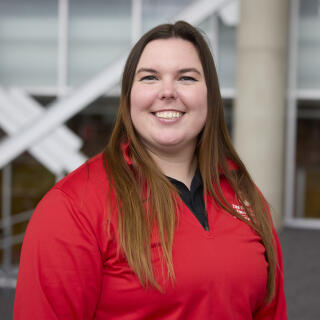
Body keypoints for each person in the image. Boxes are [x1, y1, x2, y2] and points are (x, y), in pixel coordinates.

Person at [13, 21, 287, 319]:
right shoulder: (72, 207)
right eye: (150, 78)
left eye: (186, 78)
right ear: (128, 97)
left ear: (210, 96)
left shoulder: (244, 194)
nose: (167, 91)